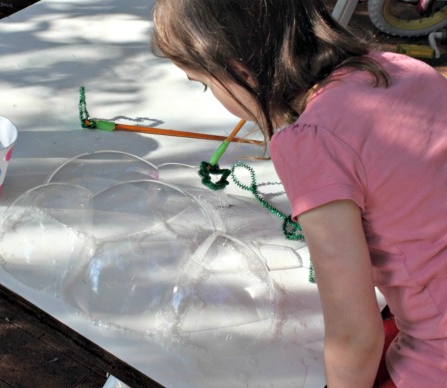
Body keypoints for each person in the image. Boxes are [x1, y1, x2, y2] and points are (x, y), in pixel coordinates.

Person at [151, 0, 447, 387]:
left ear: (242, 73)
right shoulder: (404, 68)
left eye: (206, 85)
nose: (215, 97)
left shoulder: (309, 142)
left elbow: (354, 335)